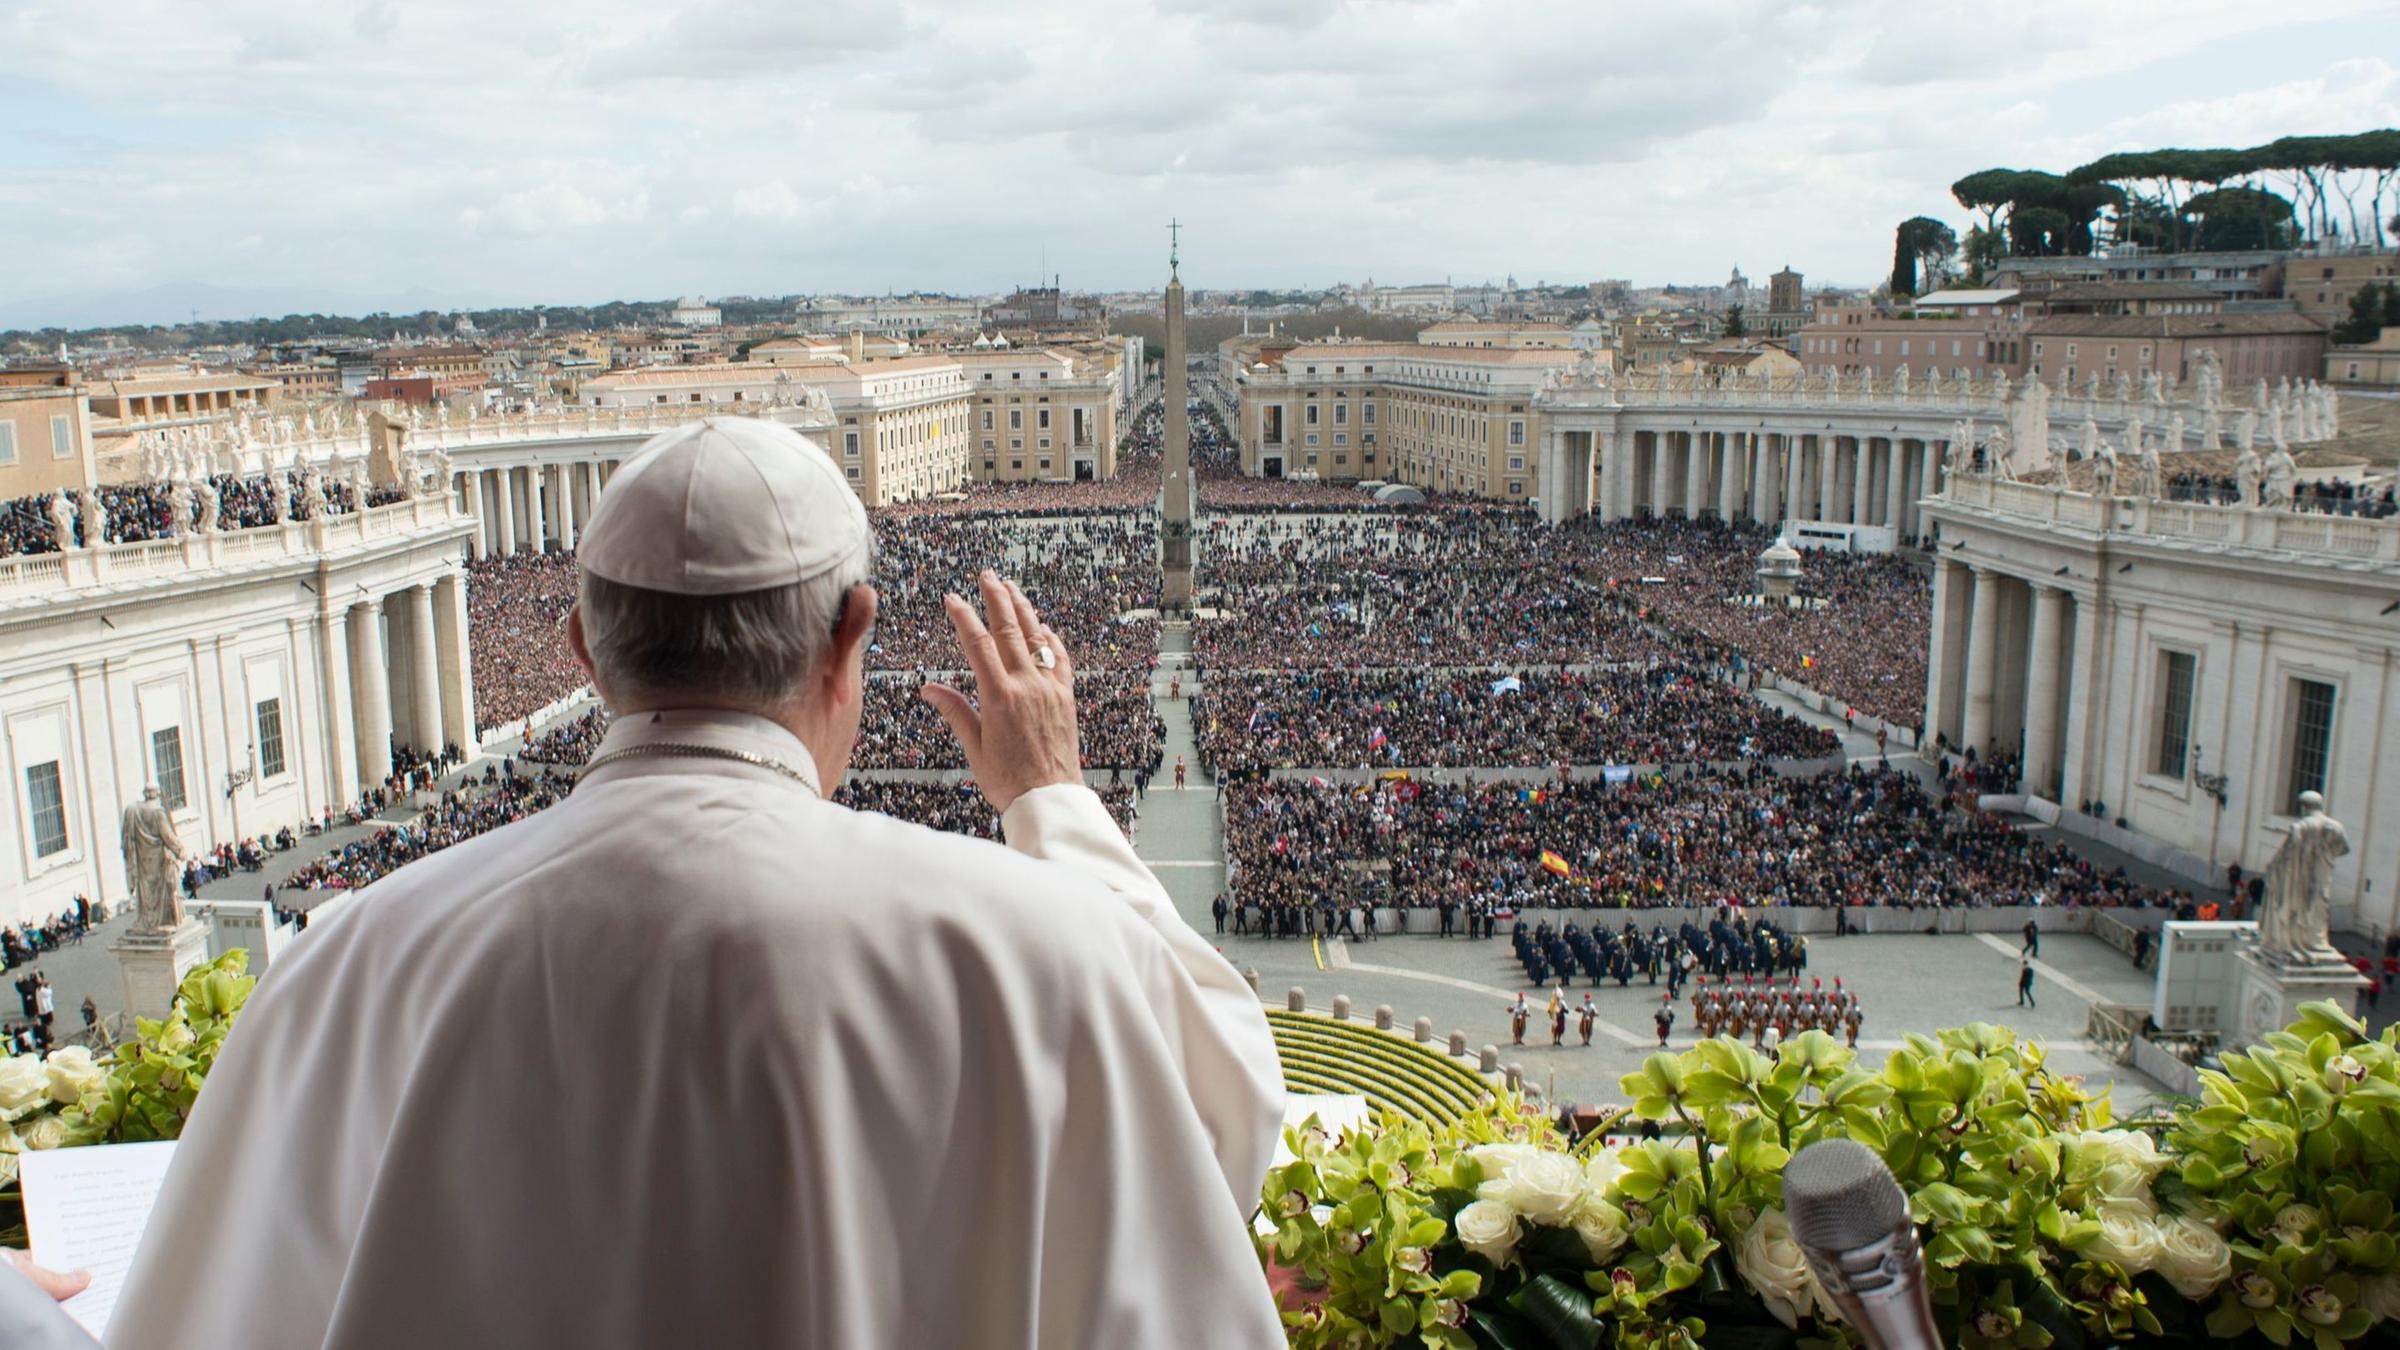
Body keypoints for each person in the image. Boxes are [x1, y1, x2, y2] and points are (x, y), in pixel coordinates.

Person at [100, 419, 1287, 1350]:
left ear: (582, 649)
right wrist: (1054, 802)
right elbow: (1229, 1118)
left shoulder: (356, 961)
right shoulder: (1036, 947)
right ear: (849, 636)